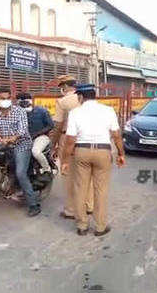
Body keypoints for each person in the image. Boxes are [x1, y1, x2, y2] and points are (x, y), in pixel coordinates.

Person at [60, 84, 126, 236]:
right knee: (100, 190)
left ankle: (82, 225)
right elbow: (116, 135)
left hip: (81, 151)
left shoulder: (75, 112)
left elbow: (70, 140)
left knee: (80, 188)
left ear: (81, 97)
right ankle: (100, 227)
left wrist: (64, 161)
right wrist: (121, 154)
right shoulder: (108, 110)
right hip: (103, 151)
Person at [0, 87, 41, 217]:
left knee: (20, 173)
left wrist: (11, 138)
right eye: (2, 98)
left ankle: (33, 204)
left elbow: (23, 130)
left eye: (8, 98)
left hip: (22, 145)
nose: (6, 101)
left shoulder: (19, 111)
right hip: (5, 145)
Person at [50, 74, 94, 220]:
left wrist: (53, 144)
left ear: (64, 87)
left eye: (61, 87)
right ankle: (89, 205)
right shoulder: (88, 99)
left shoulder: (63, 101)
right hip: (88, 139)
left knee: (68, 175)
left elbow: (58, 125)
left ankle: (70, 210)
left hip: (68, 138)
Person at [16, 93, 54, 177]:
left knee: (36, 152)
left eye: (25, 102)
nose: (23, 105)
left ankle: (46, 169)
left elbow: (50, 125)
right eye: (20, 103)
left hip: (41, 137)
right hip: (23, 139)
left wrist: (36, 134)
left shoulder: (41, 111)